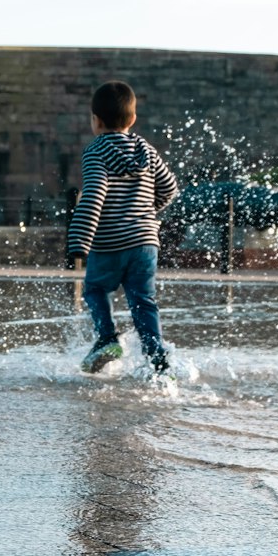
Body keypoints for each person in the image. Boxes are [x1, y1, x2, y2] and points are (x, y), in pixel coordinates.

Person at [66, 79, 178, 375]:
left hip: (109, 243)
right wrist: (145, 213)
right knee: (144, 300)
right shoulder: (147, 150)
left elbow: (93, 195)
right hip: (145, 243)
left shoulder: (96, 152)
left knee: (95, 289)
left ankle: (107, 339)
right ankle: (158, 357)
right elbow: (169, 188)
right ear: (132, 119)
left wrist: (79, 239)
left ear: (96, 120)